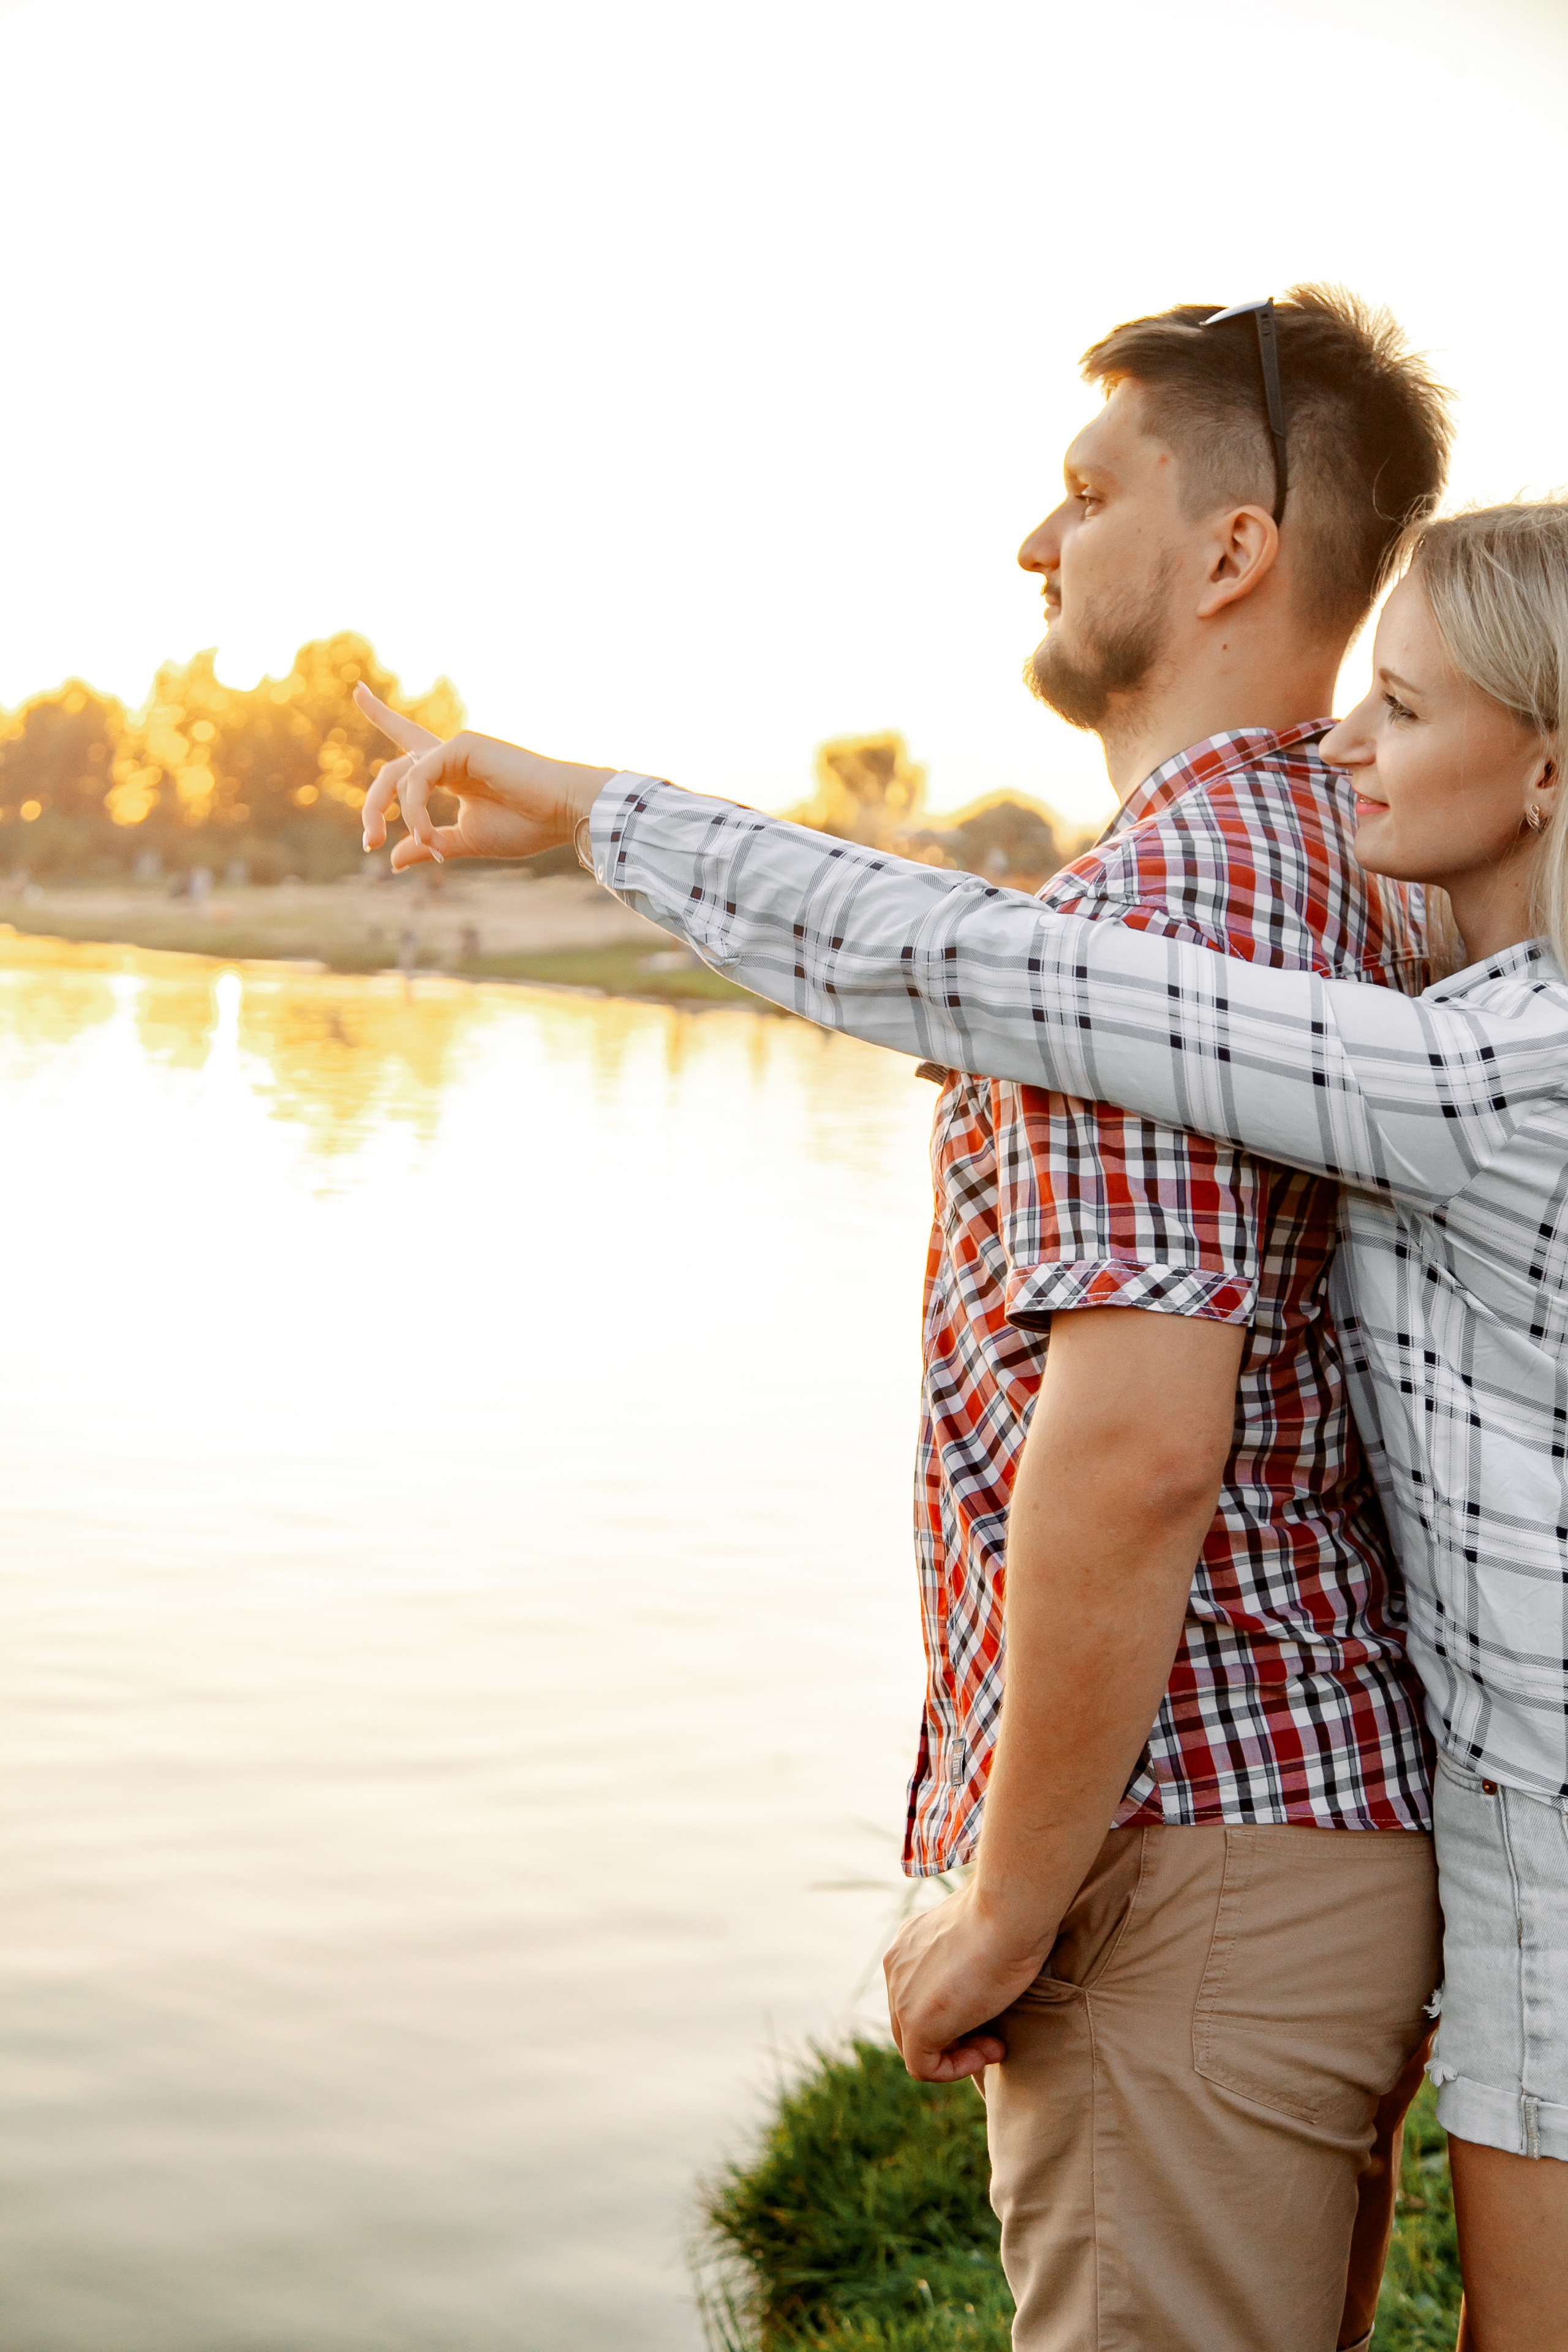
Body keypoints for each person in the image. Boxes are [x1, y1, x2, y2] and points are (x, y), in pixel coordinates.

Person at [355, 288, 1457, 2352]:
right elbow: (904, 948)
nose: (1034, 544)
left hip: (1185, 1856)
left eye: (1082, 491)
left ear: (1235, 551)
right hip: (1279, 1840)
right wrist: (587, 804)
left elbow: (1135, 1452)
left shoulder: (1180, 900)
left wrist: (1005, 1905)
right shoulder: (1327, 853)